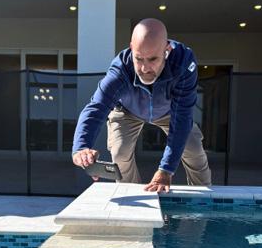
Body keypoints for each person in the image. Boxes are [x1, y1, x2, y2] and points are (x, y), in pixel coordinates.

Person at [72, 18, 211, 192]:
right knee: (120, 152)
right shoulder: (121, 69)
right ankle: (130, 193)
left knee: (194, 150)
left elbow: (182, 117)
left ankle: (206, 198)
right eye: (139, 59)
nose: (145, 69)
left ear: (167, 50)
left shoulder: (183, 63)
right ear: (131, 48)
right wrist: (81, 147)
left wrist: (166, 169)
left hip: (170, 112)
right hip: (127, 111)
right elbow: (97, 107)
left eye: (152, 59)